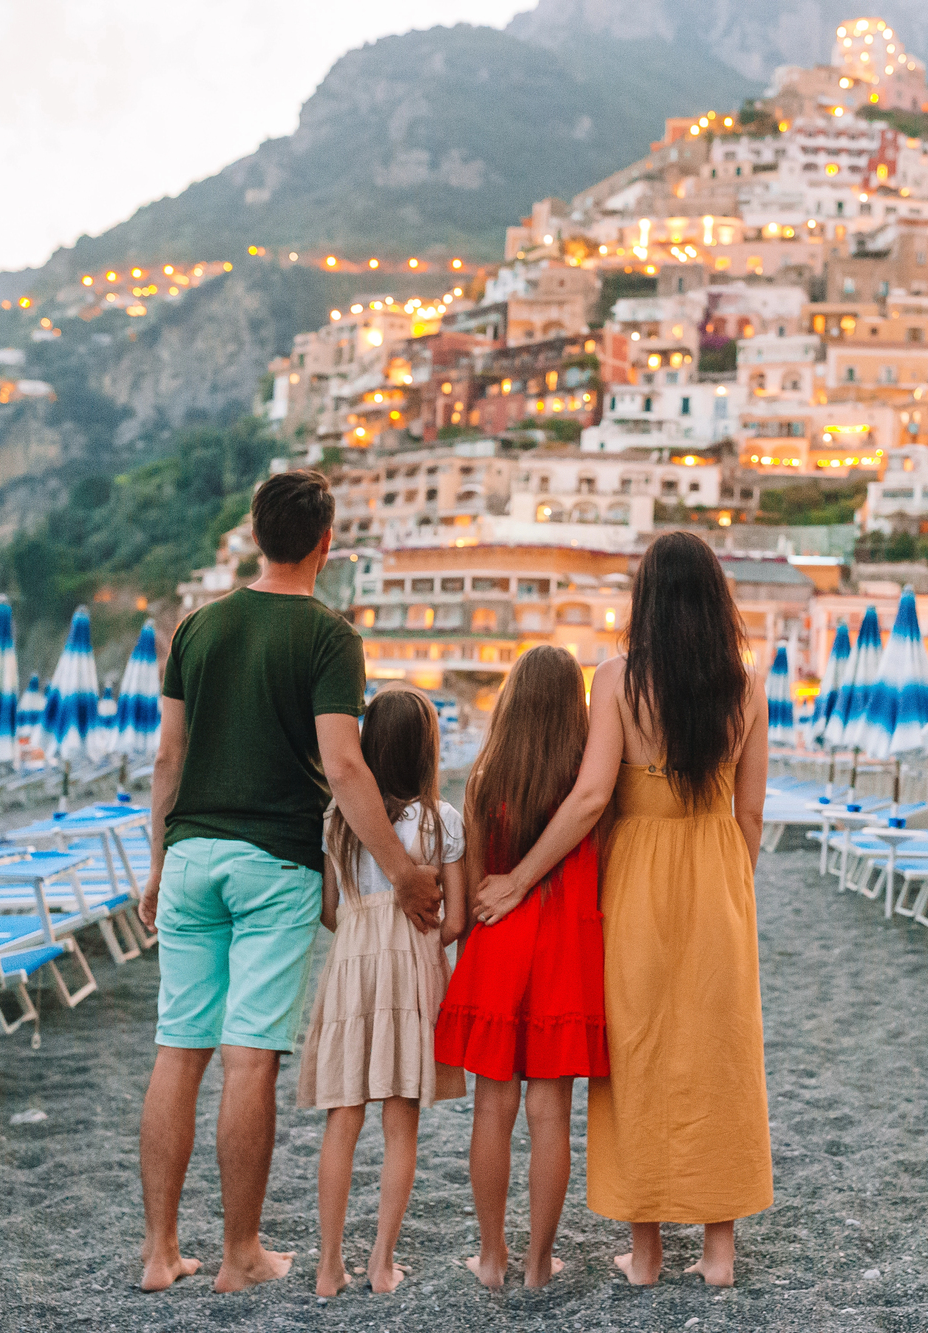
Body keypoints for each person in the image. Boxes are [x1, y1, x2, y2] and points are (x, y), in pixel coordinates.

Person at [135, 470, 441, 1295]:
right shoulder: (329, 635)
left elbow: (168, 756)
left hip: (192, 854)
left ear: (252, 533)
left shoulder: (194, 628)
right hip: (272, 860)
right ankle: (240, 1255)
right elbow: (344, 765)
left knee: (178, 1048)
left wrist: (158, 862)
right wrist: (407, 872)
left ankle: (160, 1253)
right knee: (248, 1060)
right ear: (325, 543)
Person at [470, 531, 770, 1287]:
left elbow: (593, 797)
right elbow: (753, 813)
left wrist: (521, 877)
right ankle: (718, 1248)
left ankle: (646, 1251)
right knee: (719, 1054)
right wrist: (732, 885)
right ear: (716, 599)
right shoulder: (748, 685)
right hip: (717, 874)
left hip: (635, 874)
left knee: (635, 1054)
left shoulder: (618, 677)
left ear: (647, 599)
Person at [434, 646, 609, 1291]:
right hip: (564, 950)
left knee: (492, 1111)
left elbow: (478, 886)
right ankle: (539, 1262)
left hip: (499, 947)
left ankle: (492, 1257)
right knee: (551, 1113)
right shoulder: (588, 785)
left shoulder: (486, 781)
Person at [299, 686, 468, 1297]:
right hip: (412, 970)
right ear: (426, 749)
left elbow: (326, 909)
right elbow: (454, 922)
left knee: (343, 1119)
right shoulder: (441, 819)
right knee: (402, 1124)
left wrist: (362, 927)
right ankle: (381, 1263)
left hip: (351, 965)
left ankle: (327, 1267)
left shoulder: (337, 820)